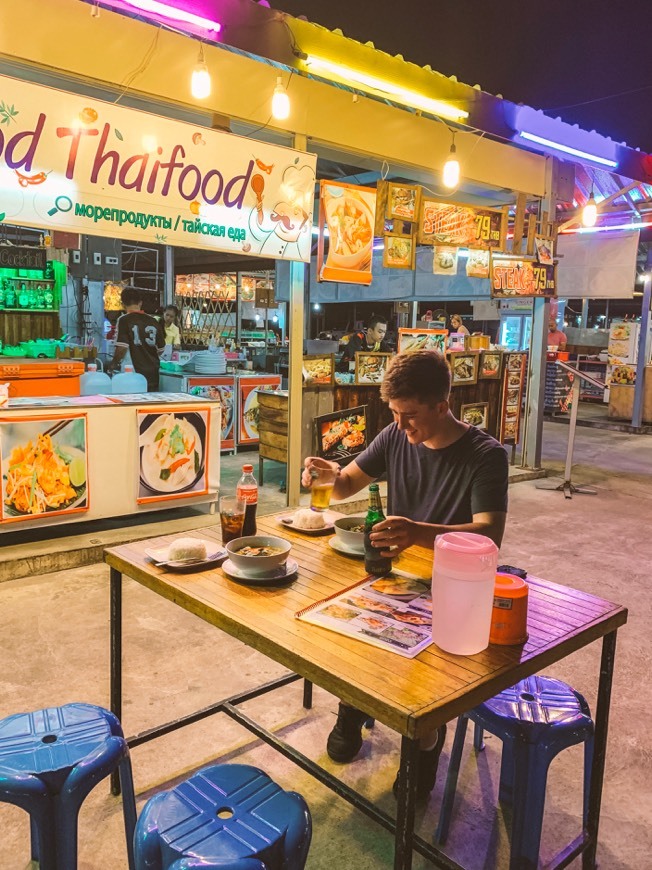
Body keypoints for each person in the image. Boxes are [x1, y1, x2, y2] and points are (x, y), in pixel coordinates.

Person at [302, 350, 508, 799]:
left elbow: (490, 534)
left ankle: (426, 741)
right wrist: (324, 472)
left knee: (428, 673)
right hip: (394, 575)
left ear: (442, 405)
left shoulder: (485, 455)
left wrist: (416, 532)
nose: (401, 425)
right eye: (394, 414)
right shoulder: (395, 436)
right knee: (346, 632)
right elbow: (345, 485)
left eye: (410, 415)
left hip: (455, 584)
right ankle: (353, 704)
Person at [109, 286, 165, 391]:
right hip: (153, 373)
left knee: (132, 404)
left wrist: (113, 364)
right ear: (140, 303)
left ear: (123, 304)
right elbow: (161, 349)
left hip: (132, 374)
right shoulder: (153, 321)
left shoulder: (123, 320)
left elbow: (122, 349)